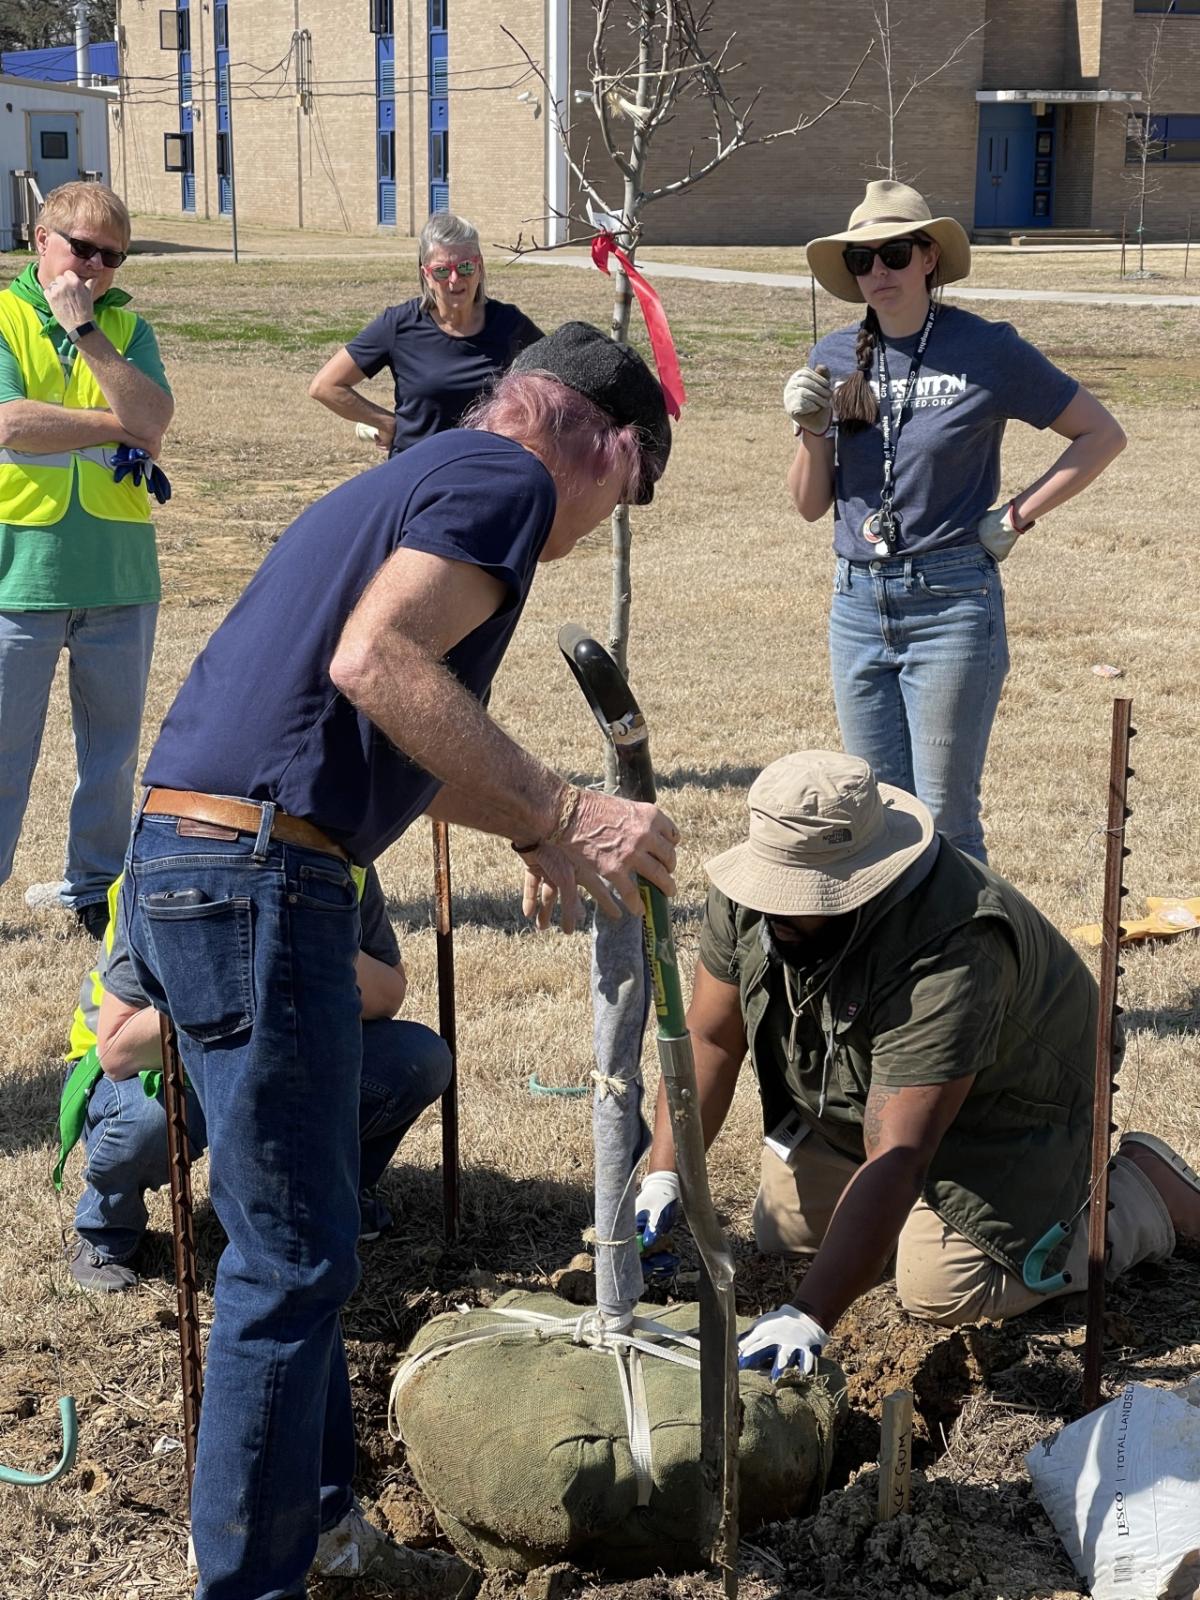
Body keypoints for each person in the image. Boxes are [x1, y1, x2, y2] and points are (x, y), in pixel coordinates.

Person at [119, 321, 679, 1600]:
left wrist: (529, 815)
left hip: (201, 857)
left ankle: (325, 1544)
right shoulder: (508, 481)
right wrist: (563, 809)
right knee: (290, 1261)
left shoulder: (407, 478)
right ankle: (252, 1583)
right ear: (606, 441)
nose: (605, 521)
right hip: (261, 876)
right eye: (632, 489)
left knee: (288, 1249)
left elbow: (367, 733)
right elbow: (377, 664)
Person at [635, 752, 1200, 1381]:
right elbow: (711, 1040)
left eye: (799, 899)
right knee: (783, 1230)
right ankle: (904, 1227)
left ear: (860, 883)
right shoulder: (753, 896)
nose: (774, 910)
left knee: (941, 1292)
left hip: (1009, 1110)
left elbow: (899, 1155)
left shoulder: (955, 946)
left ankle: (1139, 1196)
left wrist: (810, 1312)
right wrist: (666, 1174)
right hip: (879, 1100)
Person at [784, 180, 1126, 863]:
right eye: (862, 260)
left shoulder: (987, 349)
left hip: (951, 602)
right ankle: (899, 969)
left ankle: (965, 970)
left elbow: (1099, 435)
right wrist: (809, 429)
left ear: (929, 258)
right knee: (874, 819)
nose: (879, 271)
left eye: (895, 253)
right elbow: (809, 504)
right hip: (856, 605)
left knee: (945, 825)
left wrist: (1017, 515)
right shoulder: (833, 354)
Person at [55, 868, 452, 1292]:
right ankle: (107, 1228)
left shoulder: (344, 856)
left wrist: (310, 942)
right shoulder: (163, 864)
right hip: (154, 1065)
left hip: (287, 1047)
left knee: (417, 1059)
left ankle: (331, 1194)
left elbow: (389, 996)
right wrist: (236, 978)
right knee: (147, 1122)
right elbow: (120, 1052)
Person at [0, 182, 174, 938]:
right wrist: (112, 423)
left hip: (119, 573)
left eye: (112, 256)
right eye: (82, 248)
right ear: (41, 238)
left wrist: (86, 333)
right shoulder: (3, 319)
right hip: (21, 571)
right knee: (5, 750)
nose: (96, 267)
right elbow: (10, 423)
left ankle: (93, 890)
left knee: (111, 754)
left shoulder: (126, 328)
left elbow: (155, 421)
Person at [308, 211, 542, 456]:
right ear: (426, 275)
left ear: (480, 267)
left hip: (486, 469)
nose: (454, 279)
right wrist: (388, 423)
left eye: (465, 267)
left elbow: (556, 380)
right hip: (417, 470)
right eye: (442, 271)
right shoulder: (399, 325)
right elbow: (325, 386)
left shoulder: (509, 324)